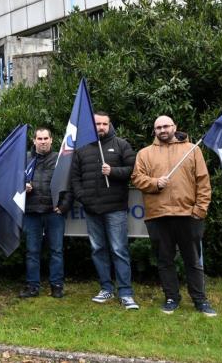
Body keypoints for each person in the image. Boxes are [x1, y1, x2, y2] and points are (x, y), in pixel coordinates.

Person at [131, 116, 216, 316]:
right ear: (154, 131)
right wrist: (154, 183)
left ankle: (200, 300)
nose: (163, 130)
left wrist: (200, 210)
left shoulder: (192, 150)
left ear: (174, 127)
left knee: (193, 260)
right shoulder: (145, 153)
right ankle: (171, 298)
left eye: (166, 126)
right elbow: (137, 178)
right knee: (164, 260)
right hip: (158, 216)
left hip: (188, 215)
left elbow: (203, 182)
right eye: (158, 127)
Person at [71, 112, 139, 310]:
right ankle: (106, 288)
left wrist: (113, 171)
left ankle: (125, 292)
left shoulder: (121, 145)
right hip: (92, 210)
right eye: (97, 124)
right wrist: (83, 198)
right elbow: (75, 178)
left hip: (115, 208)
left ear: (109, 125)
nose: (100, 127)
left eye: (104, 124)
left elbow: (132, 170)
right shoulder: (81, 149)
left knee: (119, 250)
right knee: (98, 250)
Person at [19, 128, 72, 299]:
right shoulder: (24, 159)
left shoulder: (60, 160)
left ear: (51, 140)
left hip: (53, 212)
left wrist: (63, 207)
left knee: (56, 250)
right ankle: (32, 286)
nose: (43, 141)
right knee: (32, 251)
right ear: (34, 141)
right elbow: (13, 181)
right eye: (39, 138)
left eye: (45, 138)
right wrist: (22, 188)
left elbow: (70, 185)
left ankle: (56, 285)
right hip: (31, 211)